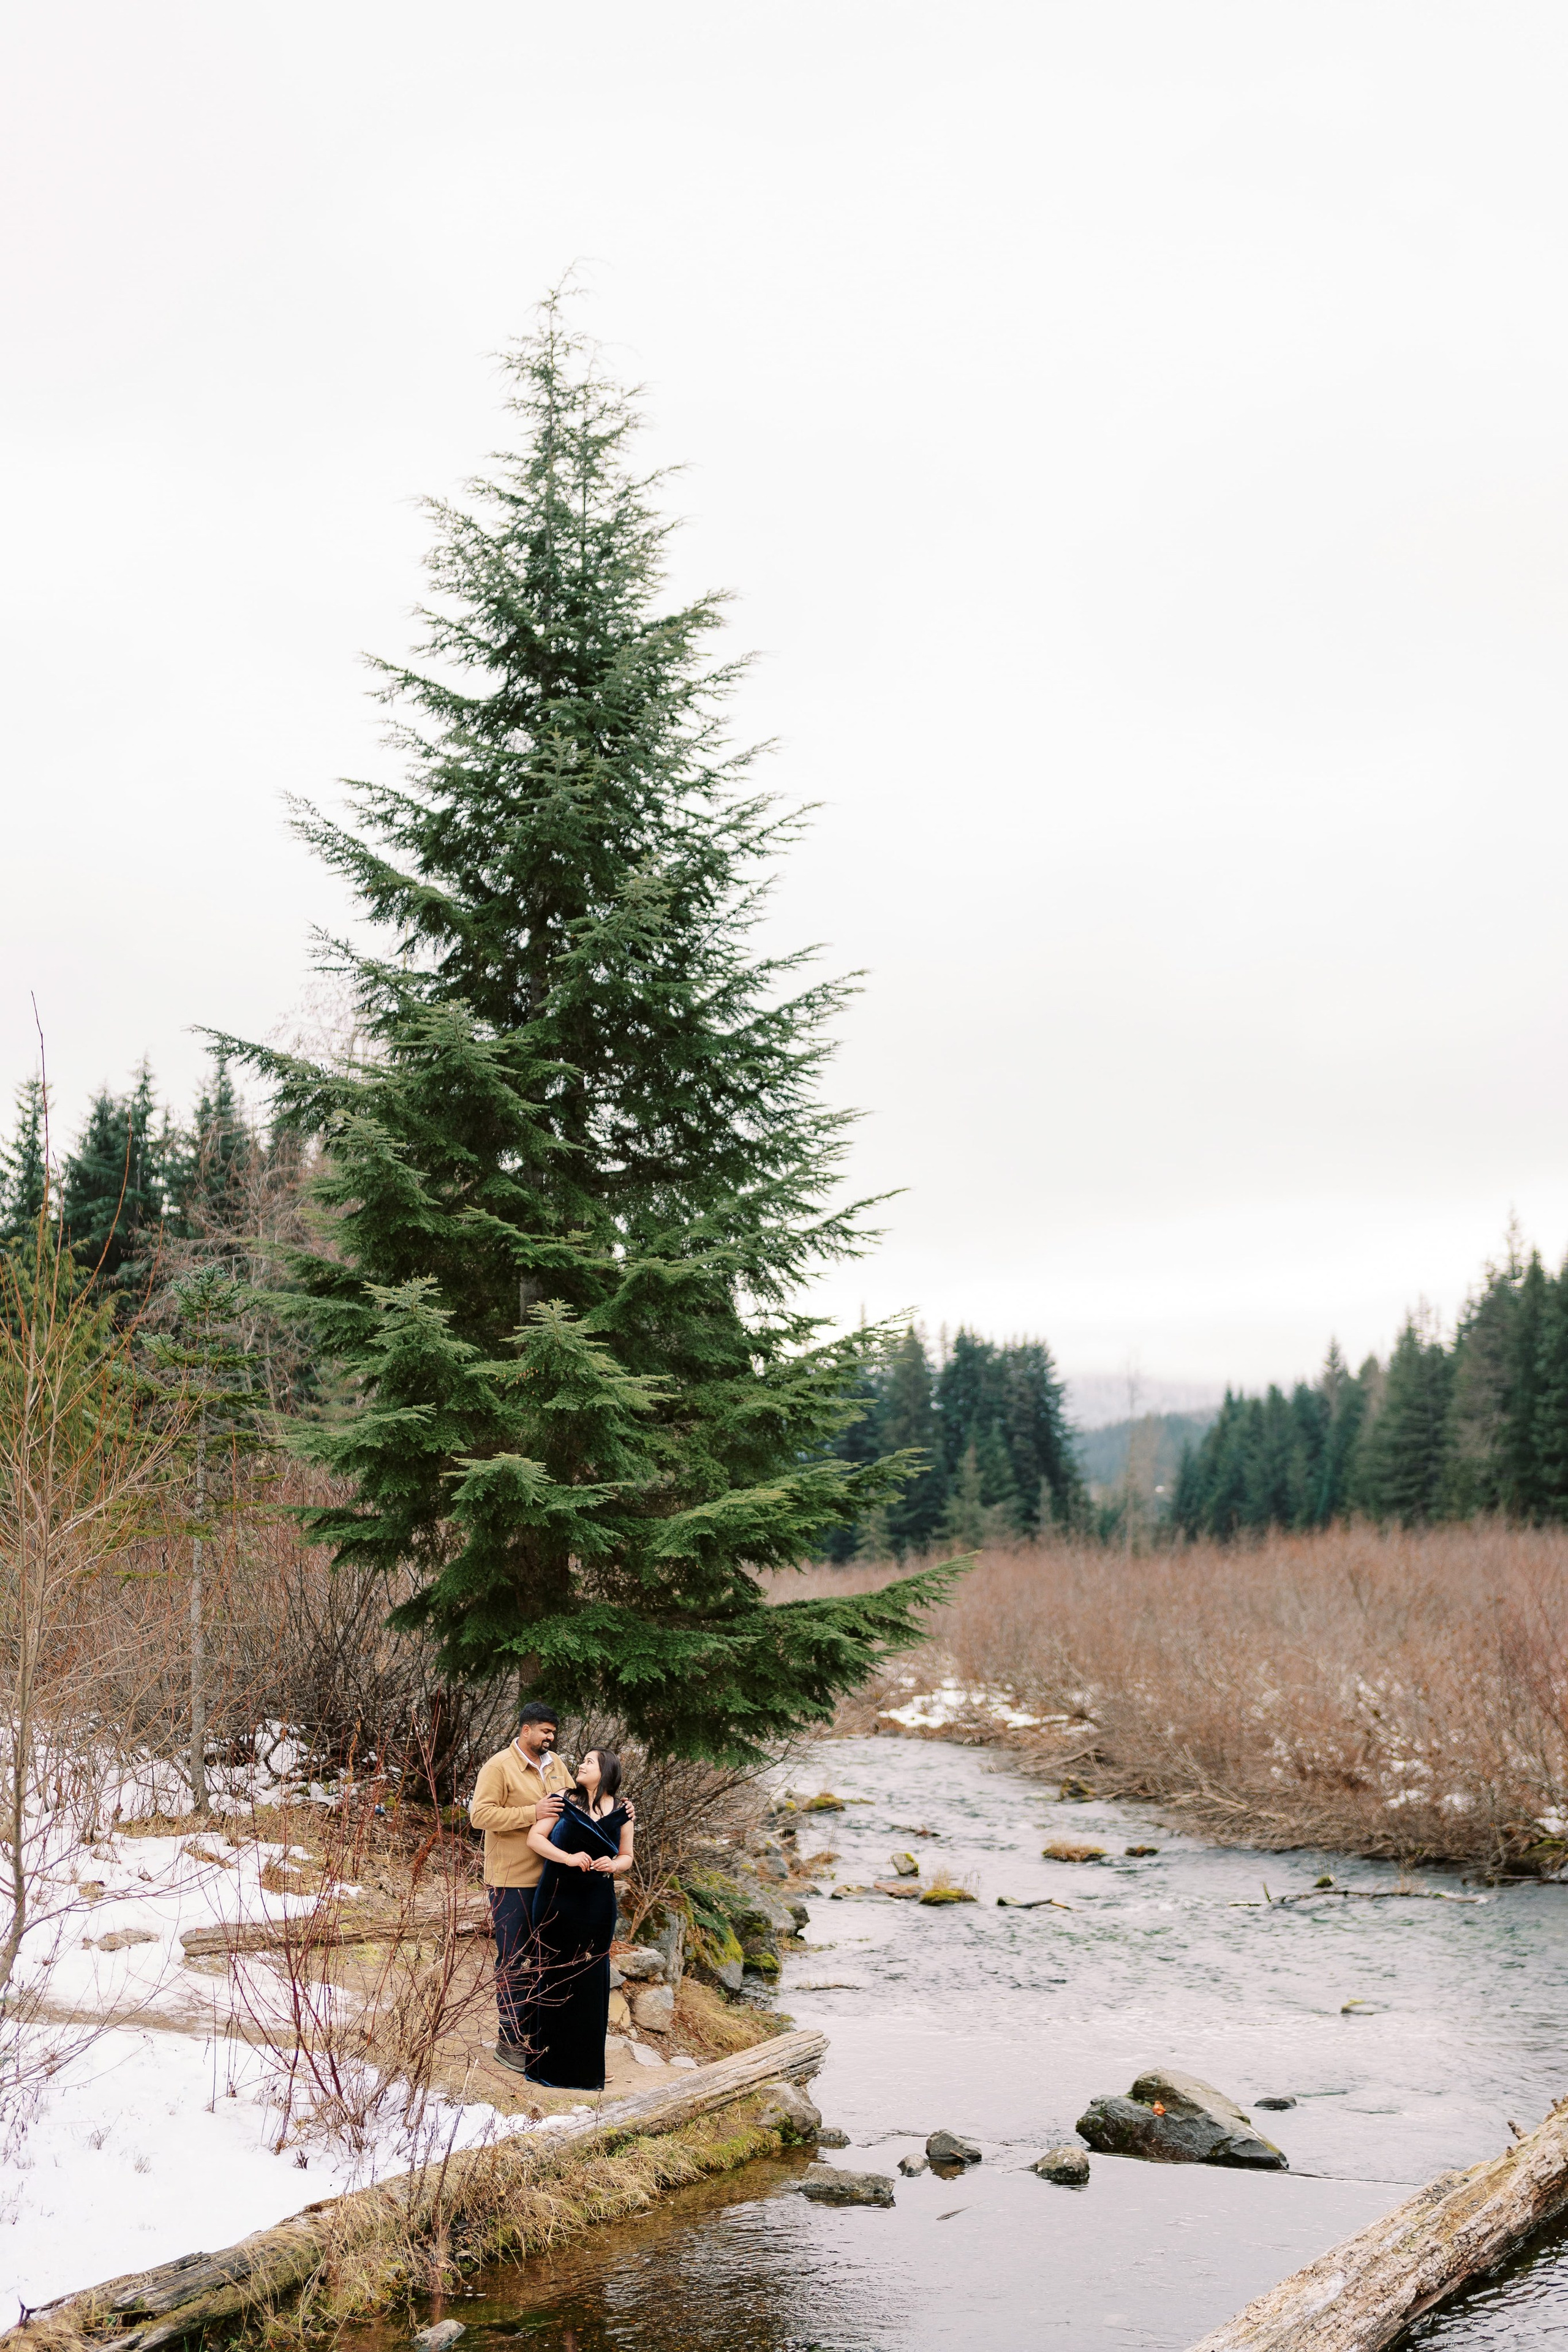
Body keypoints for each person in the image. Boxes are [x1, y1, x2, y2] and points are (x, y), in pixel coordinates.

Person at [521, 1746, 635, 2091]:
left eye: (590, 1761)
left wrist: (613, 1865)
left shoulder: (623, 1810)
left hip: (597, 1905)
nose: (581, 1765)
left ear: (606, 1771)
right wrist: (568, 1858)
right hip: (557, 1897)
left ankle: (587, 2066)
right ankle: (549, 2065)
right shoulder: (563, 1798)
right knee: (554, 1974)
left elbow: (628, 1856)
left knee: (589, 1982)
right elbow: (535, 1839)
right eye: (583, 1760)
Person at [469, 1701, 573, 2073]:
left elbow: (573, 1807)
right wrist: (533, 1813)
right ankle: (509, 2040)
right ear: (525, 1730)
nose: (550, 1737)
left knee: (546, 1960)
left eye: (553, 1733)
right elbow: (480, 1815)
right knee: (513, 1961)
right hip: (512, 1880)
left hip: (555, 1879)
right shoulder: (499, 1766)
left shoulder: (557, 1765)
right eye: (544, 1731)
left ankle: (538, 2034)